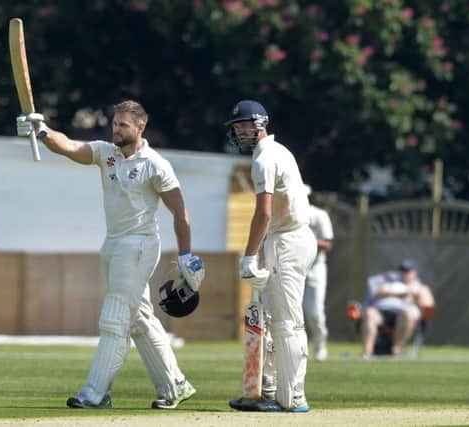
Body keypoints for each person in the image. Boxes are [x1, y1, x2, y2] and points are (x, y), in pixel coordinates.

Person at [16, 100, 205, 409]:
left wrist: (185, 256)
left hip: (141, 244)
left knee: (115, 318)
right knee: (140, 319)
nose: (116, 129)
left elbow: (180, 212)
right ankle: (176, 386)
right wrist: (44, 132)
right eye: (115, 124)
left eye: (123, 125)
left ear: (140, 127)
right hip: (114, 244)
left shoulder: (155, 164)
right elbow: (70, 147)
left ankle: (95, 393)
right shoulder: (107, 154)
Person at [225, 100, 317, 413]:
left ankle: (292, 397)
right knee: (265, 318)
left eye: (244, 125)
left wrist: (249, 256)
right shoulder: (279, 151)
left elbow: (262, 213)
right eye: (236, 127)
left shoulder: (265, 158)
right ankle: (265, 390)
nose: (239, 131)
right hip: (287, 239)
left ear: (260, 123)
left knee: (286, 322)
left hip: (285, 241)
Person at [361, 259, 434, 358]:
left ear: (415, 273)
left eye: (407, 271)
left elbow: (428, 306)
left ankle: (396, 351)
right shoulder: (391, 282)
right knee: (369, 313)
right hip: (382, 313)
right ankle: (367, 352)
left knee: (407, 314)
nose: (404, 274)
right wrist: (402, 292)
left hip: (404, 315)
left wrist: (415, 297)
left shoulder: (421, 288)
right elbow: (379, 292)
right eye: (402, 271)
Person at [302, 185, 334, 361]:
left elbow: (328, 244)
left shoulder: (319, 215)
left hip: (315, 268)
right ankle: (299, 347)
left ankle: (320, 342)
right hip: (292, 267)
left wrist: (307, 239)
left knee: (314, 312)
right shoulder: (286, 213)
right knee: (293, 312)